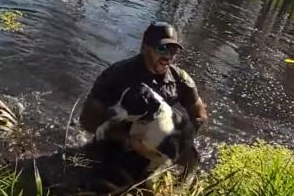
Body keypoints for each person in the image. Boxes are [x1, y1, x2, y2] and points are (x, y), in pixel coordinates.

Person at [79, 21, 208, 146]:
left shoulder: (180, 79)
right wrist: (126, 139)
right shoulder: (116, 75)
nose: (168, 56)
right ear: (145, 48)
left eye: (173, 50)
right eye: (162, 48)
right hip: (116, 142)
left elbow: (199, 115)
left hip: (154, 146)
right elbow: (87, 120)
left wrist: (183, 141)